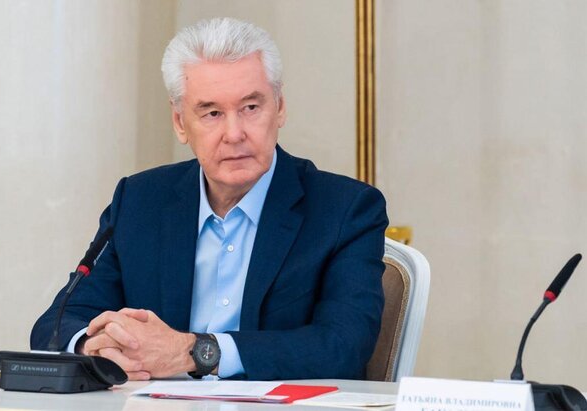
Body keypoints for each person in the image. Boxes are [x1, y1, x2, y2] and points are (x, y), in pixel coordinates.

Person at [31, 17, 388, 381]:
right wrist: (93, 347)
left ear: (280, 107)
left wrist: (194, 352)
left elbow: (344, 345)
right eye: (212, 113)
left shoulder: (345, 210)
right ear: (180, 123)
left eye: (251, 108)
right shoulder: (140, 201)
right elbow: (57, 324)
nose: (234, 134)